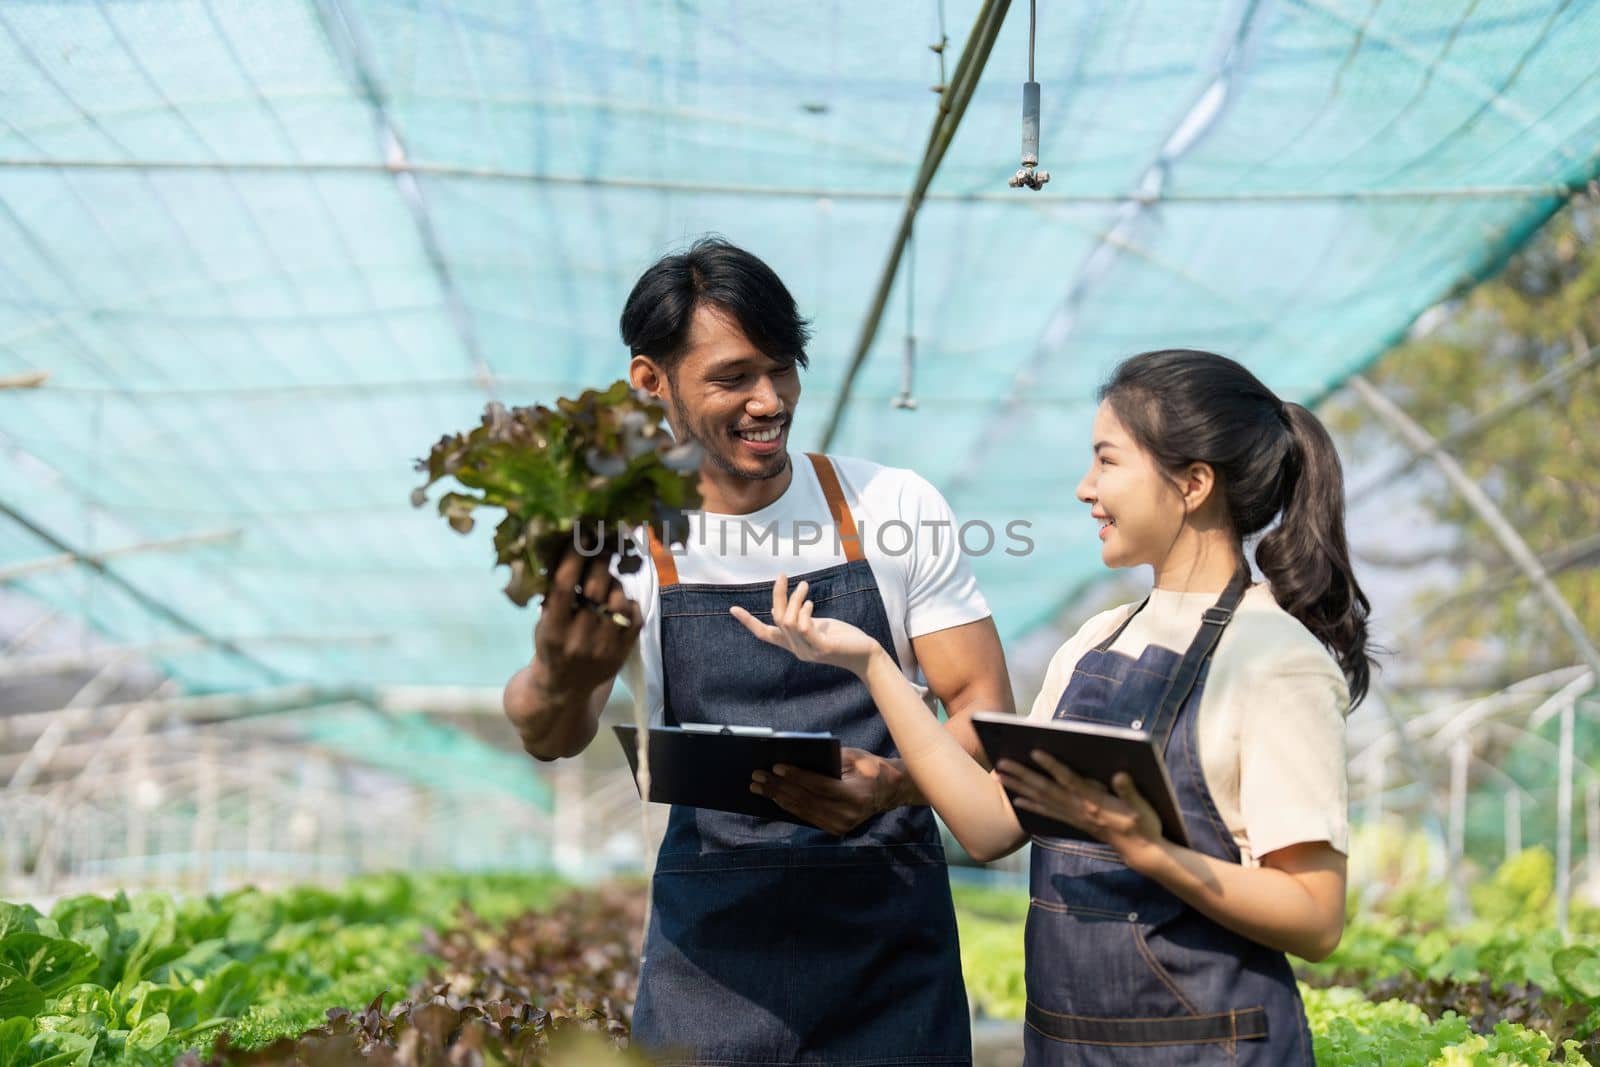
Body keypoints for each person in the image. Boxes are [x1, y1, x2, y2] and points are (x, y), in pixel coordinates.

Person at [734, 349, 1372, 1065]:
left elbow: (1315, 917)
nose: (1083, 488)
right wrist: (871, 662)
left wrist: (1147, 849)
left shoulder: (1274, 659)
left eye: (1107, 462)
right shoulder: (1098, 639)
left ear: (1192, 483)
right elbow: (986, 823)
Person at [502, 237, 1014, 1065]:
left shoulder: (893, 505)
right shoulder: (623, 539)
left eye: (783, 368)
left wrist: (892, 784)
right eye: (733, 377)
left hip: (889, 945)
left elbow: (985, 715)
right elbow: (549, 732)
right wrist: (562, 672)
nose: (769, 400)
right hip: (712, 955)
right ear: (650, 381)